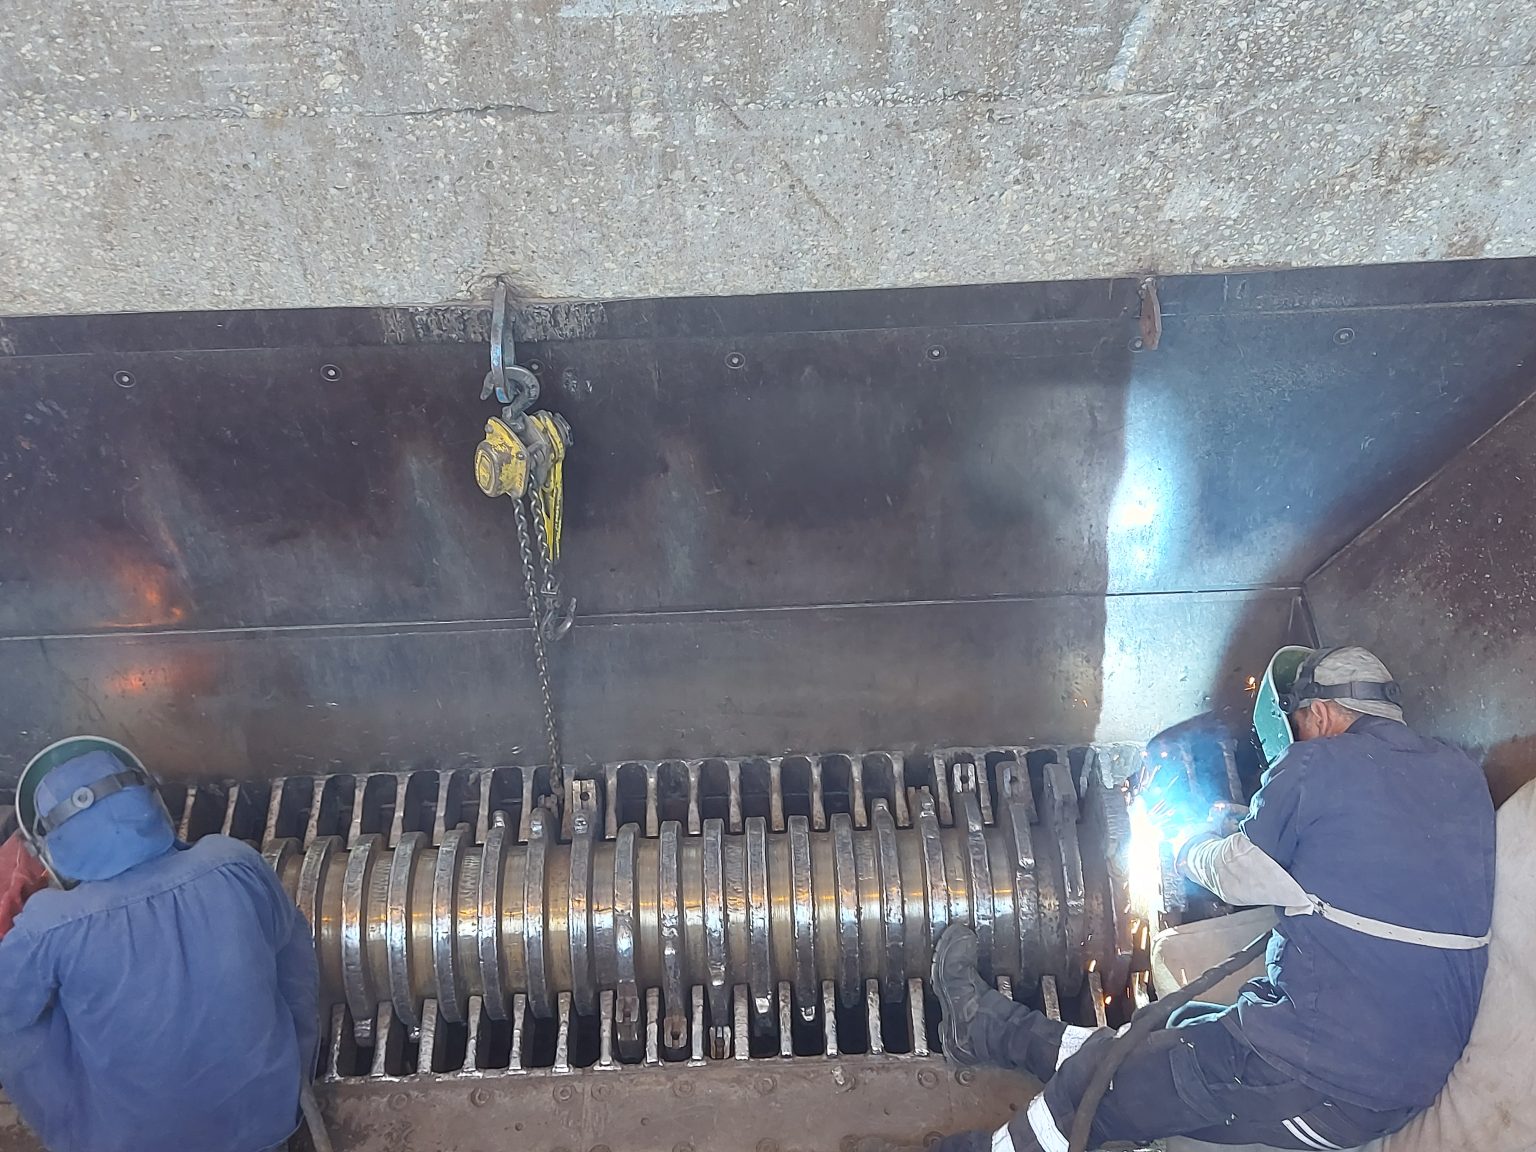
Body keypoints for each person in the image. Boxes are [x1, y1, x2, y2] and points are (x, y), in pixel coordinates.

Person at [924, 645, 1495, 1152]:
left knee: (1094, 1089)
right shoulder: (1459, 774)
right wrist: (1244, 824)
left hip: (1316, 1077)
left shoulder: (1319, 762)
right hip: (1389, 1078)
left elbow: (1234, 873)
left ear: (1320, 713)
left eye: (1297, 726)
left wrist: (1187, 848)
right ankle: (986, 1029)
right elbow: (1363, 859)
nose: (1295, 741)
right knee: (1172, 1029)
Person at [0, 737, 320, 1152]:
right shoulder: (232, 862)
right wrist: (294, 1070)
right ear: (151, 804)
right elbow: (296, 967)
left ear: (53, 849)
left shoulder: (49, 925)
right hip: (268, 1122)